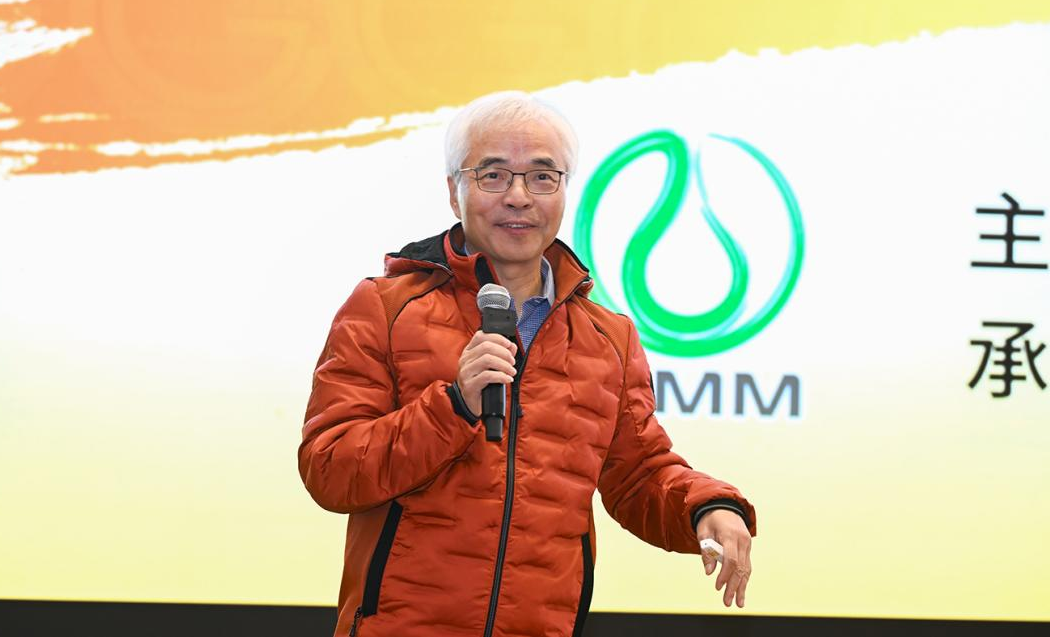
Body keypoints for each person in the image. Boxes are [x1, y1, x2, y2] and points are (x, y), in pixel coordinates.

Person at [299, 92, 755, 637]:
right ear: (454, 192)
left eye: (542, 177)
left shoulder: (608, 338)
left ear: (563, 191)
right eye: (493, 175)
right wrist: (453, 407)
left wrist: (706, 507)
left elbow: (639, 475)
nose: (519, 197)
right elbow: (330, 469)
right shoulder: (384, 307)